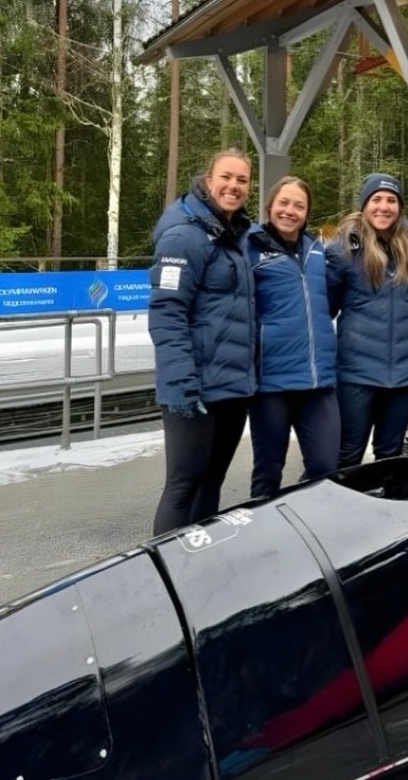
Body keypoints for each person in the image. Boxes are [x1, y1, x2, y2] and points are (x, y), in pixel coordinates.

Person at [148, 148, 257, 535]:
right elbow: (167, 312)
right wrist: (180, 383)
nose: (234, 186)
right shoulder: (184, 236)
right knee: (183, 485)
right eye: (226, 177)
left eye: (242, 180)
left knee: (211, 483)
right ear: (208, 180)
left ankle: (199, 559)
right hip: (195, 386)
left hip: (231, 386)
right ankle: (164, 573)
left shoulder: (237, 234)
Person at [246, 176, 340, 498]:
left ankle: (313, 531)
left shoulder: (316, 250)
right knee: (268, 470)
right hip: (271, 382)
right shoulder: (250, 247)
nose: (290, 211)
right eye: (284, 203)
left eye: (299, 205)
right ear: (270, 205)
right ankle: (262, 539)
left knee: (327, 467)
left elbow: (326, 302)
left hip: (317, 381)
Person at [326, 173, 408, 467]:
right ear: (364, 204)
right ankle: (342, 512)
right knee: (347, 453)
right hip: (357, 372)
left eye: (391, 200)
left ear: (400, 207)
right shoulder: (342, 250)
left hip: (405, 373)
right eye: (376, 199)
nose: (384, 207)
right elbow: (327, 306)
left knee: (390, 455)